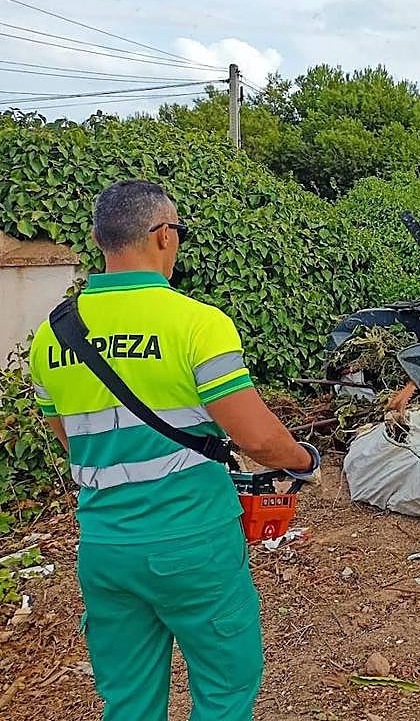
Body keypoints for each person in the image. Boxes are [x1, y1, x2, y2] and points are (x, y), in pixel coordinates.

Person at [28, 180, 320, 720]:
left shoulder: (52, 335)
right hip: (193, 547)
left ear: (100, 239)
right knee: (225, 688)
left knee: (129, 701)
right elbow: (257, 439)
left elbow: (72, 441)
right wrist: (304, 462)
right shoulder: (196, 324)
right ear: (164, 235)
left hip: (104, 549)